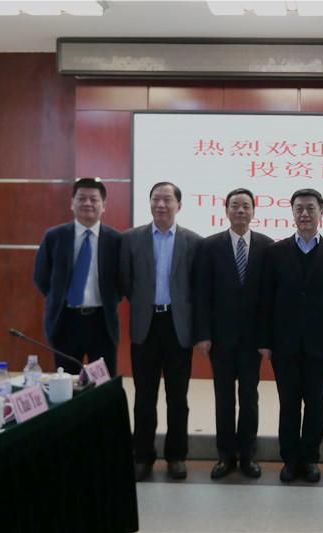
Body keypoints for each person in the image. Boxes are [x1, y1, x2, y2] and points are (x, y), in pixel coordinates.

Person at [258, 188, 323, 483]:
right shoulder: (275, 252)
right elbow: (266, 300)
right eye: (299, 208)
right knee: (288, 404)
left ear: (322, 212)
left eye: (311, 208)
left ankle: (310, 459)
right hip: (284, 344)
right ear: (292, 213)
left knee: (315, 403)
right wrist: (265, 341)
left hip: (321, 345)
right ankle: (289, 459)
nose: (305, 214)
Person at [119, 182, 201, 482]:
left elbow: (198, 288)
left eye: (167, 200)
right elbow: (125, 281)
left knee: (178, 397)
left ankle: (176, 456)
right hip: (146, 325)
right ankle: (142, 456)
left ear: (179, 205)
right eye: (156, 199)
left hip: (178, 327)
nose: (161, 205)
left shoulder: (194, 242)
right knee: (144, 396)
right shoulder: (131, 239)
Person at [194, 188, 273, 480]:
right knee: (224, 398)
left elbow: (269, 300)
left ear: (253, 211)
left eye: (245, 206)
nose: (240, 210)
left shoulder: (267, 246)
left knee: (249, 398)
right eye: (235, 206)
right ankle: (225, 456)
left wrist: (267, 339)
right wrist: (203, 334)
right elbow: (201, 294)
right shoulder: (209, 246)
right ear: (226, 210)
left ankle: (248, 456)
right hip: (221, 338)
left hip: (253, 340)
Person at [33, 177, 121, 376]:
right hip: (65, 321)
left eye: (94, 199)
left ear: (104, 206)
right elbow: (41, 276)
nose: (87, 203)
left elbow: (123, 281)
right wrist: (58, 297)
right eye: (81, 198)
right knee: (66, 382)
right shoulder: (54, 236)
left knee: (103, 382)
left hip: (102, 322)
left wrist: (111, 299)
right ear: (72, 203)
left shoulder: (116, 239)